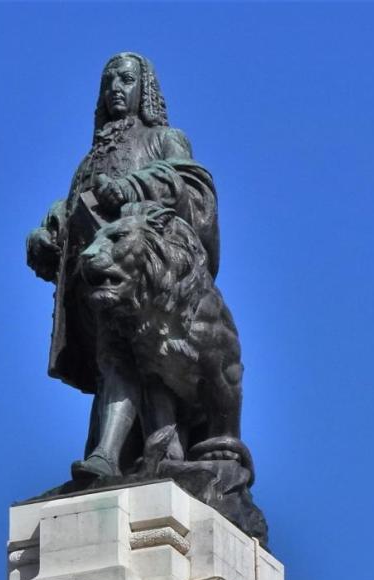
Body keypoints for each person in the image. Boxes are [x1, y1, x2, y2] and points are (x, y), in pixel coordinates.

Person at [26, 52, 220, 479]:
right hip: (100, 284)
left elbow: (193, 190)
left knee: (140, 364)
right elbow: (78, 215)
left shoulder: (164, 140)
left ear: (143, 89)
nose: (116, 87)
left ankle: (114, 456)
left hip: (149, 281)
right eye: (109, 80)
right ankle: (126, 456)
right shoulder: (88, 162)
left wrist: (132, 188)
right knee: (120, 363)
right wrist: (49, 234)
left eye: (126, 80)